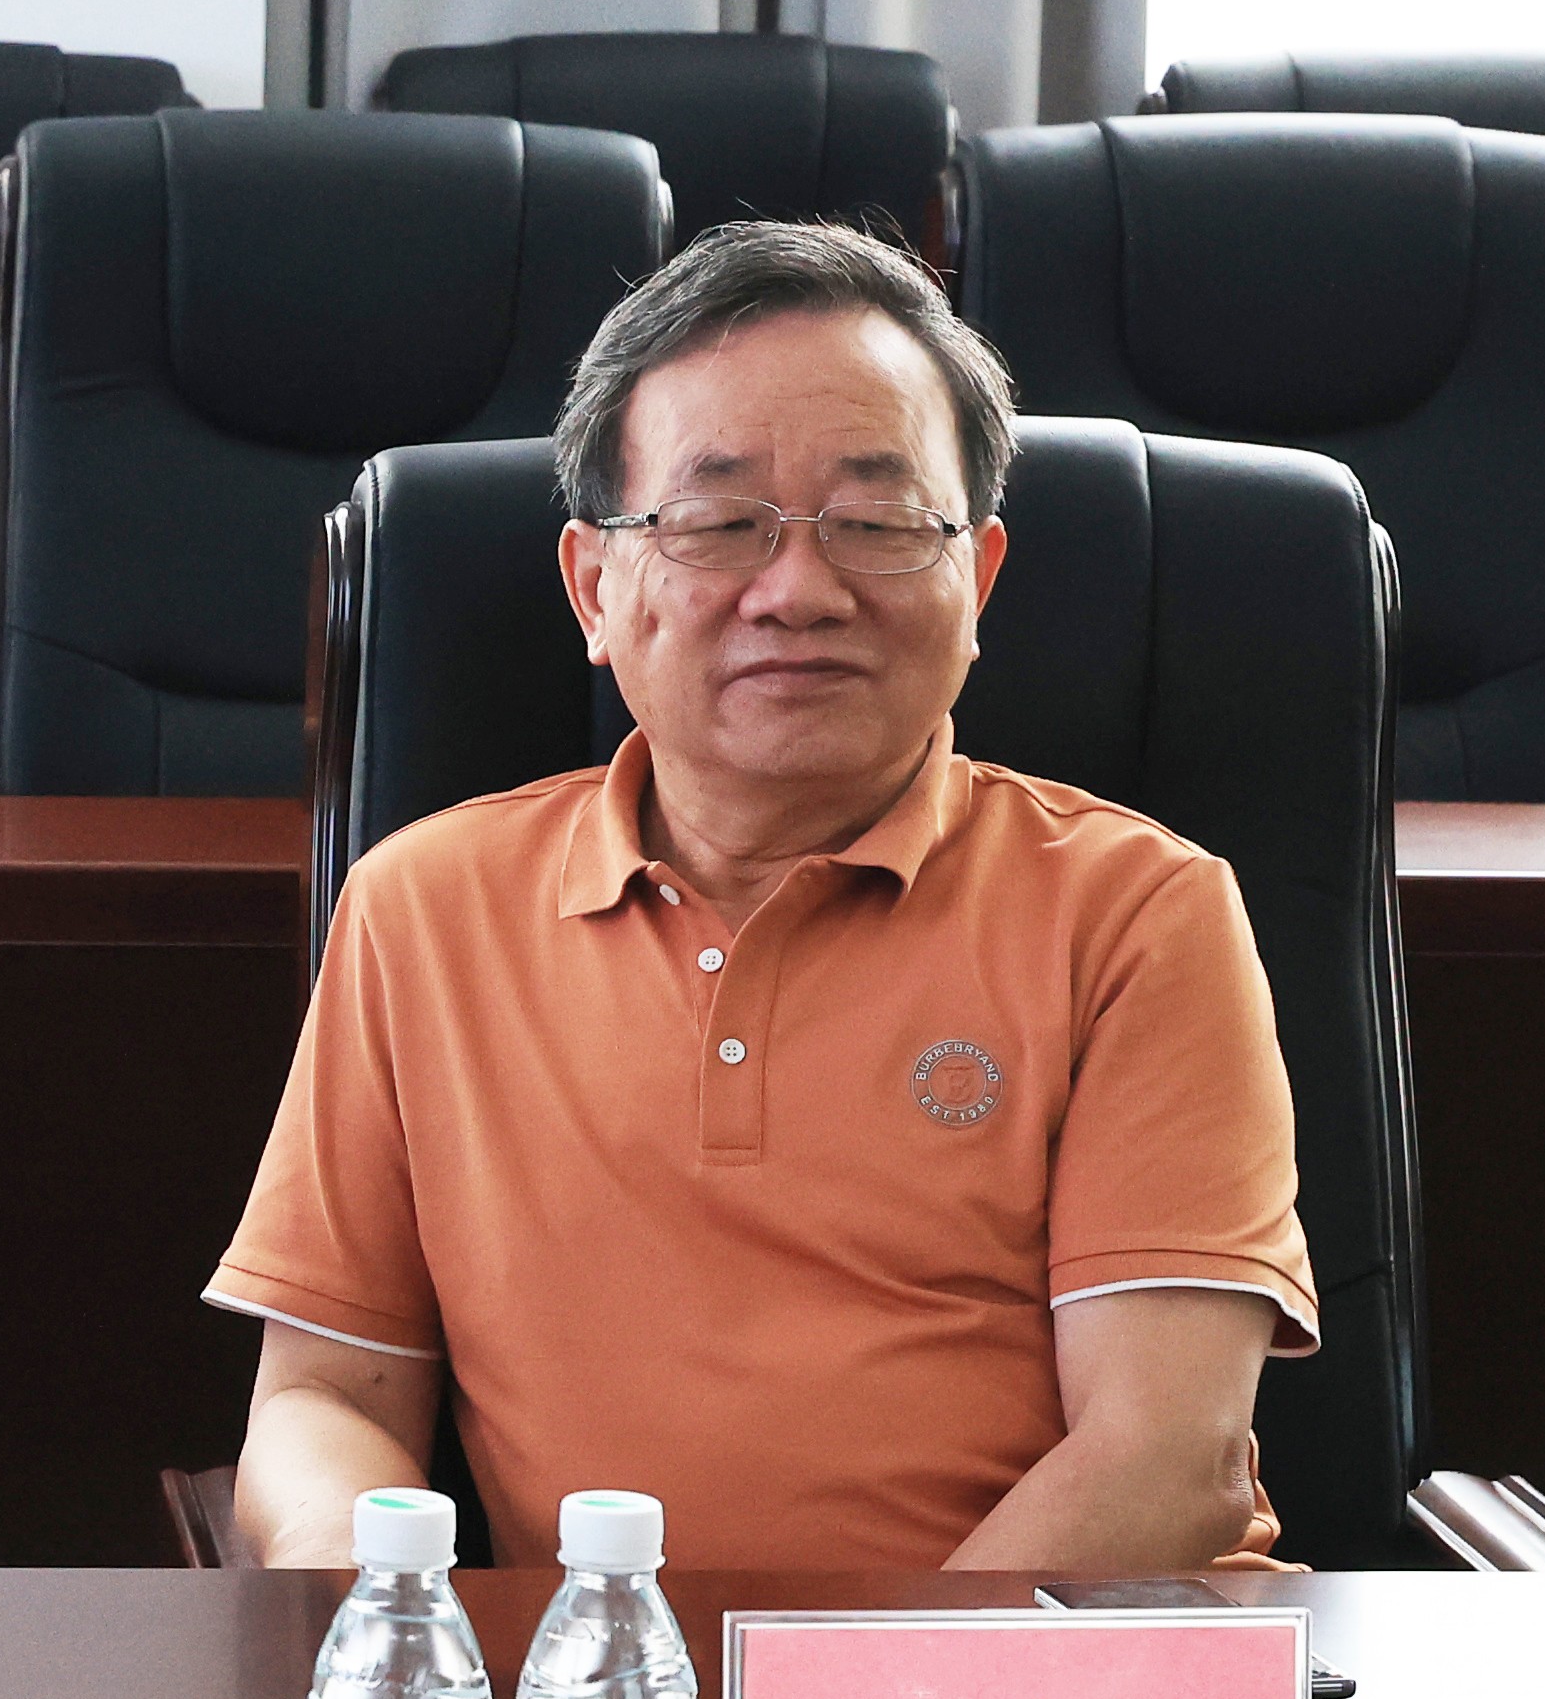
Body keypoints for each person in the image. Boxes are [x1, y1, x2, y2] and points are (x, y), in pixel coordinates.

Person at [219, 219, 1314, 1574]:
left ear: (978, 580)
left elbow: (1168, 1460)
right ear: (594, 588)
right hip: (598, 1687)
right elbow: (324, 1400)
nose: (798, 592)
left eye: (878, 524)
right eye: (719, 523)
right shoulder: (425, 911)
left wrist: (846, 1692)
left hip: (1042, 1681)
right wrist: (393, 1623)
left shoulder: (1138, 915)